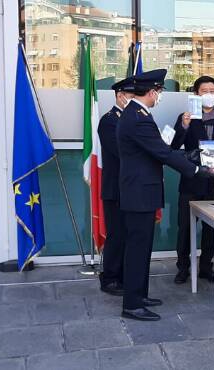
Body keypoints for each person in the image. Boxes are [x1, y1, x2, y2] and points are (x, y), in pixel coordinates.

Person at [117, 69, 213, 321]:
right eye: (158, 92)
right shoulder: (137, 118)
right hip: (139, 193)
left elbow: (160, 150)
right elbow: (162, 152)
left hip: (141, 191)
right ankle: (132, 304)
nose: (159, 96)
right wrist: (194, 169)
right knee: (138, 249)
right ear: (151, 92)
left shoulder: (136, 114)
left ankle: (139, 295)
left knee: (142, 247)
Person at [170, 76, 214, 284]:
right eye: (203, 90)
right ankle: (183, 267)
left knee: (211, 228)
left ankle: (206, 266)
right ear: (196, 94)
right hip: (191, 180)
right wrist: (184, 126)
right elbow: (174, 145)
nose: (208, 94)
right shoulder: (186, 116)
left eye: (212, 90)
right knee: (185, 228)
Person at [97, 76, 135, 296]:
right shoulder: (110, 120)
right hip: (116, 187)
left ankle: (122, 275)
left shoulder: (132, 119)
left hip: (130, 187)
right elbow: (121, 153)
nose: (134, 99)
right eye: (131, 95)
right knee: (117, 234)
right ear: (120, 96)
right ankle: (110, 278)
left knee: (127, 234)